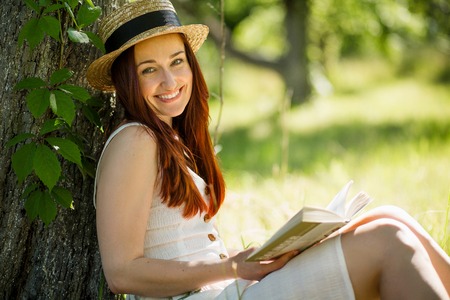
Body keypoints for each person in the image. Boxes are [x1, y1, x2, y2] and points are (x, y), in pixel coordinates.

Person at [87, 0, 450, 299]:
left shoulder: (168, 138)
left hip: (221, 288)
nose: (170, 81)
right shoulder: (135, 141)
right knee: (388, 240)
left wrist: (260, 256)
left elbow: (184, 255)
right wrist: (232, 267)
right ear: (126, 80)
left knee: (389, 217)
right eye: (149, 70)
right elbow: (122, 271)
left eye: (176, 62)